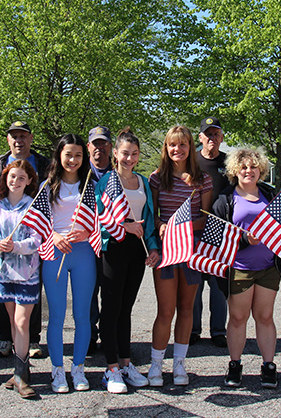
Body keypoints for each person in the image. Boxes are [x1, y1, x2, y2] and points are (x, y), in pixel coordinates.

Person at [148, 125, 213, 387]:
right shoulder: (156, 178)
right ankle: (155, 365)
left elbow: (206, 219)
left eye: (183, 144)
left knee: (187, 309)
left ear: (191, 147)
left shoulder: (203, 179)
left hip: (192, 250)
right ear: (166, 148)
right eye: (173, 145)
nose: (178, 149)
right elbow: (152, 215)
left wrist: (181, 227)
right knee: (166, 310)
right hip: (166, 251)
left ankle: (179, 364)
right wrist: (162, 225)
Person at [95, 128, 159, 393]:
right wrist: (123, 225)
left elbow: (150, 219)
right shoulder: (106, 181)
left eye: (134, 154)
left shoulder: (143, 182)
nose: (129, 158)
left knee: (126, 308)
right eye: (124, 153)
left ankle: (125, 363)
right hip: (113, 247)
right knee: (111, 307)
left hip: (137, 248)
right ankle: (110, 369)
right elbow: (98, 217)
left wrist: (153, 248)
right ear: (115, 154)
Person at [214, 149, 281, 389]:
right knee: (238, 318)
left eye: (253, 167)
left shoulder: (271, 195)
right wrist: (244, 239)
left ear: (260, 170)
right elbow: (218, 236)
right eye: (243, 167)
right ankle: (234, 364)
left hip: (267, 267)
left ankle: (269, 366)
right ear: (235, 170)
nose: (248, 171)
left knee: (264, 317)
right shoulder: (226, 198)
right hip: (239, 268)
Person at [41, 134, 97, 393]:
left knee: (83, 315)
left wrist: (88, 232)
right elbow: (36, 223)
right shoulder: (48, 186)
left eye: (77, 155)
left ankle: (78, 368)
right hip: (55, 253)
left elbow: (102, 220)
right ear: (59, 155)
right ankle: (57, 370)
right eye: (68, 154)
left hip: (84, 252)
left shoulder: (92, 184)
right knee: (57, 315)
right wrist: (54, 235)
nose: (73, 160)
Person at [0, 121, 49, 360]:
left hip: (32, 236)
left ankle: (32, 338)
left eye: (23, 136)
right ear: (8, 140)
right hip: (3, 238)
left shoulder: (45, 164)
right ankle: (4, 337)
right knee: (3, 295)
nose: (19, 140)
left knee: (32, 290)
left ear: (31, 138)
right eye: (14, 136)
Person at [0, 160, 42, 399]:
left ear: (29, 181)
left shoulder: (34, 208)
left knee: (22, 322)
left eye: (21, 178)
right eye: (12, 177)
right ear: (5, 179)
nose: (16, 182)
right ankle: (21, 371)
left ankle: (21, 376)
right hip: (5, 273)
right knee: (12, 322)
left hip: (27, 273)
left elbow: (37, 240)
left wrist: (16, 246)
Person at [191, 117, 228, 348]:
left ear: (222, 138)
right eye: (208, 134)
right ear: (201, 137)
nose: (212, 138)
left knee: (218, 284)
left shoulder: (230, 162)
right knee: (194, 284)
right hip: (194, 228)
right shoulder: (191, 161)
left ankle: (218, 331)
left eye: (216, 134)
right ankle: (193, 330)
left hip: (219, 230)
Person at [87, 125, 112, 352]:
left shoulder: (119, 174)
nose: (100, 148)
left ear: (111, 147)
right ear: (89, 147)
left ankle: (109, 336)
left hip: (112, 242)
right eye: (96, 143)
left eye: (103, 143)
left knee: (112, 293)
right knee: (89, 293)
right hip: (87, 243)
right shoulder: (79, 175)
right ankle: (89, 336)